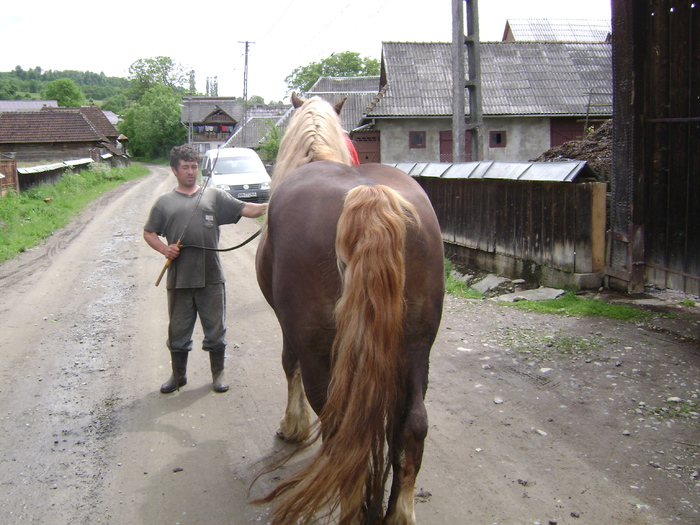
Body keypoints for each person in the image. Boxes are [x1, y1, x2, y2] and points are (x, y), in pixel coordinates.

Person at [144, 145, 267, 394]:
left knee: (216, 330)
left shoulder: (214, 196)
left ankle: (218, 375)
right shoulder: (164, 202)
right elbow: (149, 233)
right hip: (179, 279)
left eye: (193, 167)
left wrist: (274, 204)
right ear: (174, 170)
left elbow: (248, 210)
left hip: (211, 277)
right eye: (185, 168)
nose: (190, 172)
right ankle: (178, 377)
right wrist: (164, 250)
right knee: (178, 331)